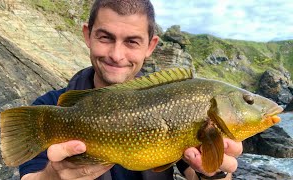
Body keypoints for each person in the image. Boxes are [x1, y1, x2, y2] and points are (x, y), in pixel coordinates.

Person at [19, 0, 243, 179]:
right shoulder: (48, 110)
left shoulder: (177, 101)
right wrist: (51, 177)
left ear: (151, 46)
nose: (117, 55)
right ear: (88, 35)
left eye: (132, 42)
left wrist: (215, 172)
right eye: (105, 37)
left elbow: (198, 173)